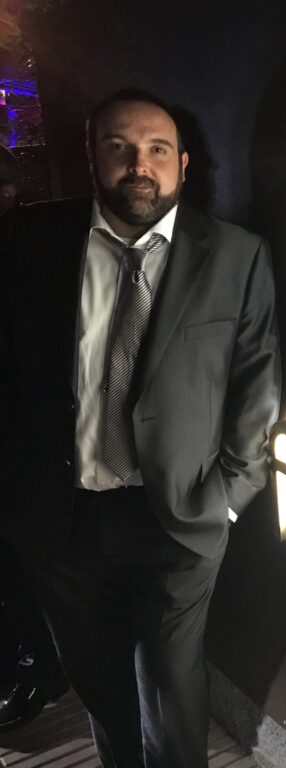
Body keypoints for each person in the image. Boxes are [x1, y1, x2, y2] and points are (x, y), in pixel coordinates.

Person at [0, 90, 281, 766]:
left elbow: (257, 386)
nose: (139, 165)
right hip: (61, 520)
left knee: (171, 692)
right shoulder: (27, 241)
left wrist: (229, 498)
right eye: (119, 148)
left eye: (157, 149)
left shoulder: (236, 255)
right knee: (99, 685)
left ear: (182, 163)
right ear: (91, 157)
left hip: (177, 516)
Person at [0, 144, 69, 730]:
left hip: (23, 440)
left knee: (20, 565)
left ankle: (40, 666)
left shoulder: (29, 244)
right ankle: (37, 665)